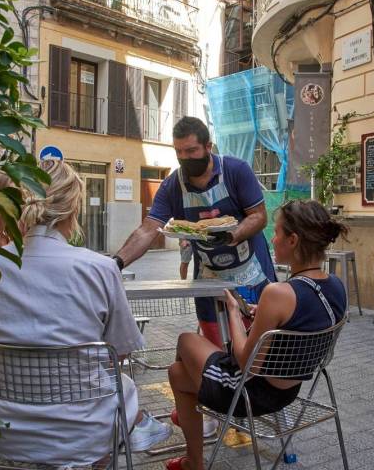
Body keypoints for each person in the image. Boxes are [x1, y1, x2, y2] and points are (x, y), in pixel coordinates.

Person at [0, 160, 171, 467]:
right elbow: (119, 353)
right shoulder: (99, 268)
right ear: (72, 209)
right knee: (119, 386)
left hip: (3, 429)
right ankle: (131, 430)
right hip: (85, 430)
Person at [164, 200, 348, 470]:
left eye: (278, 232)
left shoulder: (277, 293)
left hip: (247, 394)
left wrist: (233, 313)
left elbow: (243, 361)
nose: (272, 239)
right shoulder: (336, 286)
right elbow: (300, 321)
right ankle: (193, 457)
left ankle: (196, 449)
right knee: (177, 373)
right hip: (290, 391)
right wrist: (261, 313)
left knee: (185, 340)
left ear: (293, 240)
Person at [113, 116, 277, 346]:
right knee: (215, 349)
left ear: (208, 147)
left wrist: (232, 234)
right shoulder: (172, 186)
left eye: (191, 151)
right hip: (208, 276)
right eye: (178, 152)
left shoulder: (236, 171)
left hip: (251, 273)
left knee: (257, 348)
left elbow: (259, 216)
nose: (184, 158)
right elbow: (148, 230)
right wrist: (117, 262)